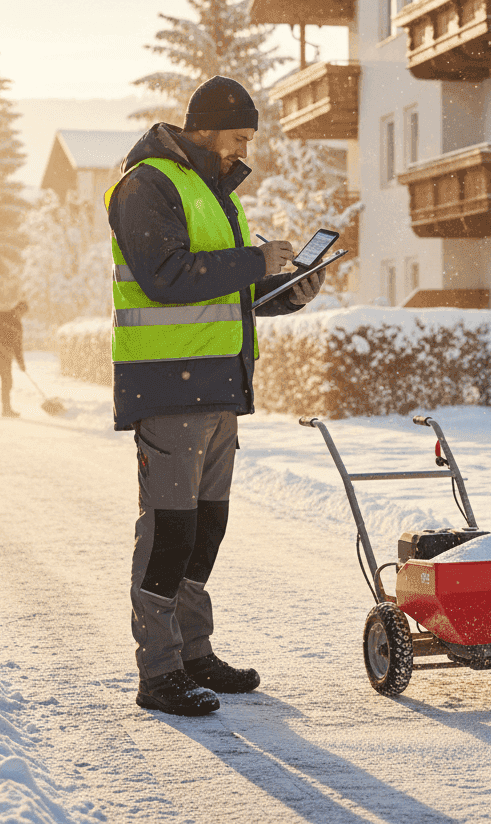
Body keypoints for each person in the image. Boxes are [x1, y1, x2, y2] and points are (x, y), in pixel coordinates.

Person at [105, 76, 324, 718]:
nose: (241, 150)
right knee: (169, 531)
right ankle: (160, 672)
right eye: (237, 137)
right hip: (167, 387)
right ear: (204, 127)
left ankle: (194, 652)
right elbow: (167, 276)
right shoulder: (146, 185)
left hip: (218, 385)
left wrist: (286, 289)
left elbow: (220, 293)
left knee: (206, 528)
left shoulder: (213, 193)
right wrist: (257, 265)